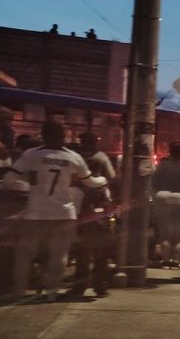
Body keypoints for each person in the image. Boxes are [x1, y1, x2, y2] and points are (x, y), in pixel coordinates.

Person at [6, 121, 107, 303]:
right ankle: (51, 292)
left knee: (24, 254)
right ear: (64, 136)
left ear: (42, 135)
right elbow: (91, 182)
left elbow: (9, 180)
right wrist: (102, 180)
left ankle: (18, 292)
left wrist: (29, 186)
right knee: (58, 255)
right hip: (63, 213)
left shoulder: (31, 155)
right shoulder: (73, 157)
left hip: (35, 213)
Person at [68, 157, 117, 297]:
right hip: (101, 228)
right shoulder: (104, 187)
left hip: (84, 227)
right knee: (101, 260)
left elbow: (75, 209)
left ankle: (79, 288)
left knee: (82, 259)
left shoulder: (78, 189)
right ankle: (100, 288)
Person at [151, 142, 180, 268]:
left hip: (164, 199)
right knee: (179, 234)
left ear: (170, 151)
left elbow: (154, 183)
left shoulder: (163, 166)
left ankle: (166, 261)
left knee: (165, 233)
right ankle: (176, 261)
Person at [0, 168, 30, 297]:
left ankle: (5, 287)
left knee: (5, 259)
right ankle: (18, 288)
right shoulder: (26, 186)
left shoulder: (3, 187)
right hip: (23, 225)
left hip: (5, 226)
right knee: (20, 260)